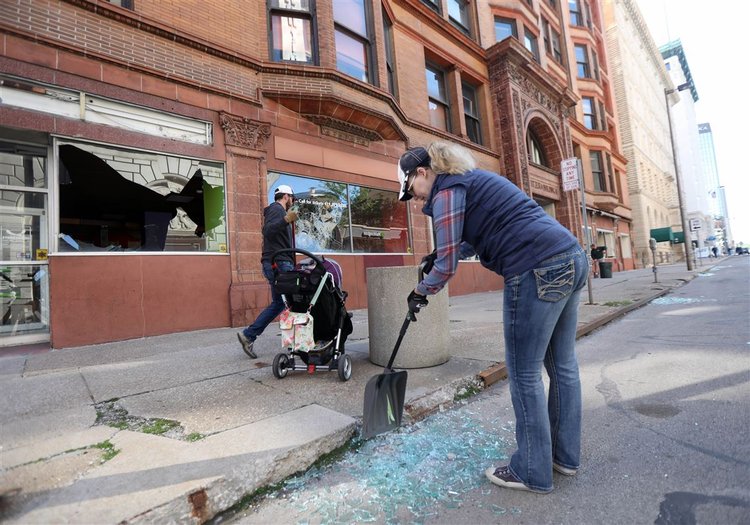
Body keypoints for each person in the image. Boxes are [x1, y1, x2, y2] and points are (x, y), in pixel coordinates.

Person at [398, 142, 588, 494]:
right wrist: (437, 253)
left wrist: (422, 290)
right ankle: (564, 457)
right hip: (570, 256)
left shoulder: (446, 190)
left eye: (411, 190)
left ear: (422, 173)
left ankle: (532, 470)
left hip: (535, 268)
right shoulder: (469, 181)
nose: (415, 199)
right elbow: (469, 241)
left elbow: (448, 265)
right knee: (562, 365)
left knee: (524, 371)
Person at [237, 185, 298, 358]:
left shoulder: (279, 212)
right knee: (296, 301)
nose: (292, 202)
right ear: (286, 196)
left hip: (277, 262)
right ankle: (301, 343)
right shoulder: (276, 210)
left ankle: (248, 336)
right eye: (291, 198)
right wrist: (286, 220)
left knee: (280, 303)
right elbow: (268, 231)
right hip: (279, 263)